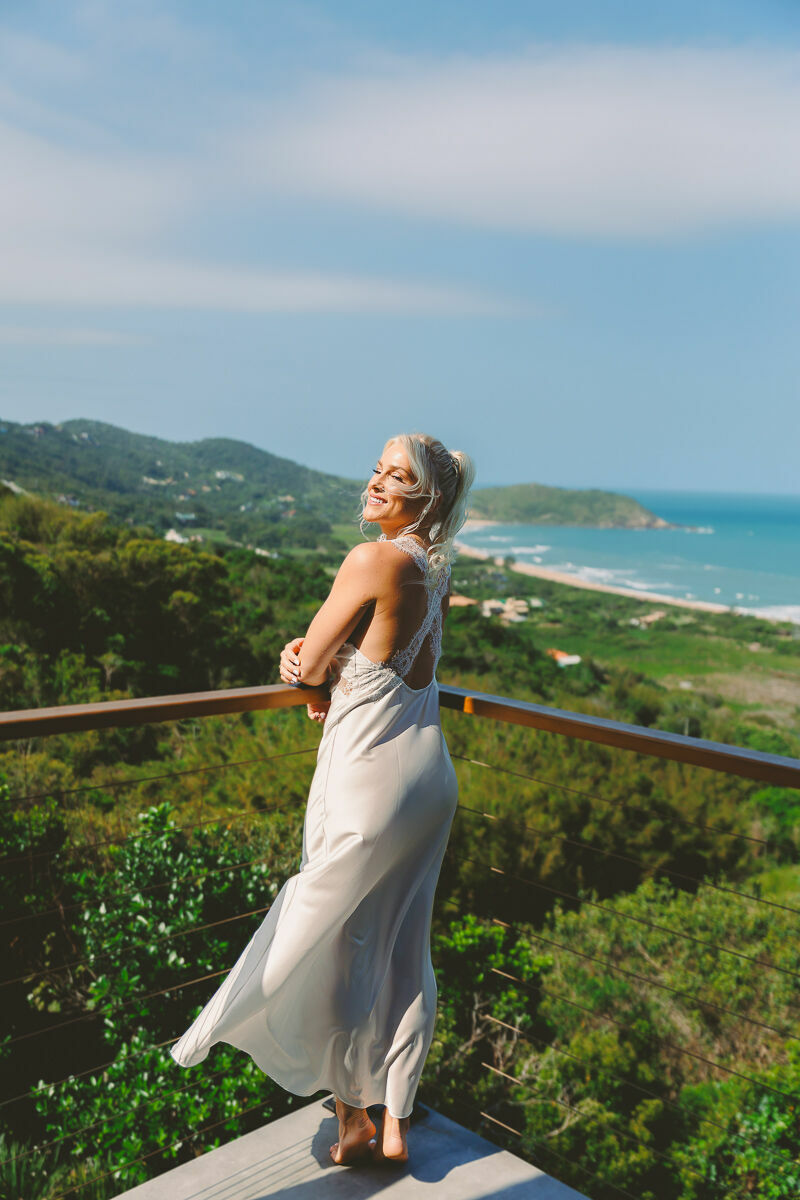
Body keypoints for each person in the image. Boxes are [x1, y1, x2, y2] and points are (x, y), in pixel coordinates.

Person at [170, 432, 475, 1166]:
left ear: (424, 498)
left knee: (334, 941)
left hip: (366, 782)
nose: (375, 484)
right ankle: (393, 1115)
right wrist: (332, 671)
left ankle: (348, 1116)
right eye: (377, 469)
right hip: (428, 778)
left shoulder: (372, 558)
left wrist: (304, 665)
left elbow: (309, 662)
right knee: (405, 943)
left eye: (395, 477)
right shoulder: (434, 568)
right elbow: (389, 662)